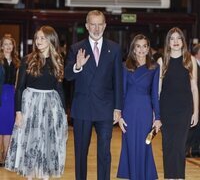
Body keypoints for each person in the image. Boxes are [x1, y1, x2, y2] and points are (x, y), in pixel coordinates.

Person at [65, 10, 123, 180]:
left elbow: (118, 81)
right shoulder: (76, 48)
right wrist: (77, 65)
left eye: (100, 24)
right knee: (81, 153)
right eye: (93, 24)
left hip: (105, 109)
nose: (96, 28)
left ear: (105, 26)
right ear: (87, 26)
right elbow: (68, 75)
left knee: (104, 152)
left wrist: (118, 107)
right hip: (83, 108)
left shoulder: (115, 48)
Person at [5, 26, 68, 180]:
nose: (38, 41)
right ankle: (30, 177)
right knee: (30, 142)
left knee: (47, 141)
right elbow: (19, 88)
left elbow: (59, 89)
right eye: (37, 38)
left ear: (51, 40)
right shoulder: (28, 59)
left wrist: (64, 113)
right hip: (30, 104)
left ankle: (45, 175)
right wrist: (18, 112)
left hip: (50, 106)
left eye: (42, 38)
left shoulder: (57, 60)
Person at [117, 34, 162, 180]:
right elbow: (122, 93)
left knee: (144, 145)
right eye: (138, 46)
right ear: (133, 49)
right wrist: (120, 116)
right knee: (130, 146)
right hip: (129, 112)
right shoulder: (124, 67)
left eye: (144, 46)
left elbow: (155, 94)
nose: (141, 49)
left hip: (145, 111)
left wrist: (158, 118)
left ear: (148, 48)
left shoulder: (155, 67)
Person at [157, 27, 199, 180]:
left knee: (180, 147)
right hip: (166, 110)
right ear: (168, 42)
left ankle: (180, 177)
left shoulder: (190, 60)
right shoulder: (162, 61)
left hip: (184, 111)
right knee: (168, 147)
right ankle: (169, 177)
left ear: (183, 41)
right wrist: (157, 114)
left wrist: (196, 112)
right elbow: (158, 91)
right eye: (172, 38)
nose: (175, 41)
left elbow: (194, 88)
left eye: (178, 38)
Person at [0, 34, 20, 167]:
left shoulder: (17, 62)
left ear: (13, 47)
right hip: (0, 93)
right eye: (5, 44)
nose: (8, 46)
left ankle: (6, 157)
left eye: (10, 44)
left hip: (11, 96)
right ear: (1, 47)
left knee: (7, 127)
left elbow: (18, 82)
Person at [186, 43, 200, 157]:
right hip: (191, 99)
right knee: (191, 126)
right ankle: (186, 148)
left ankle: (196, 149)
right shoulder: (190, 63)